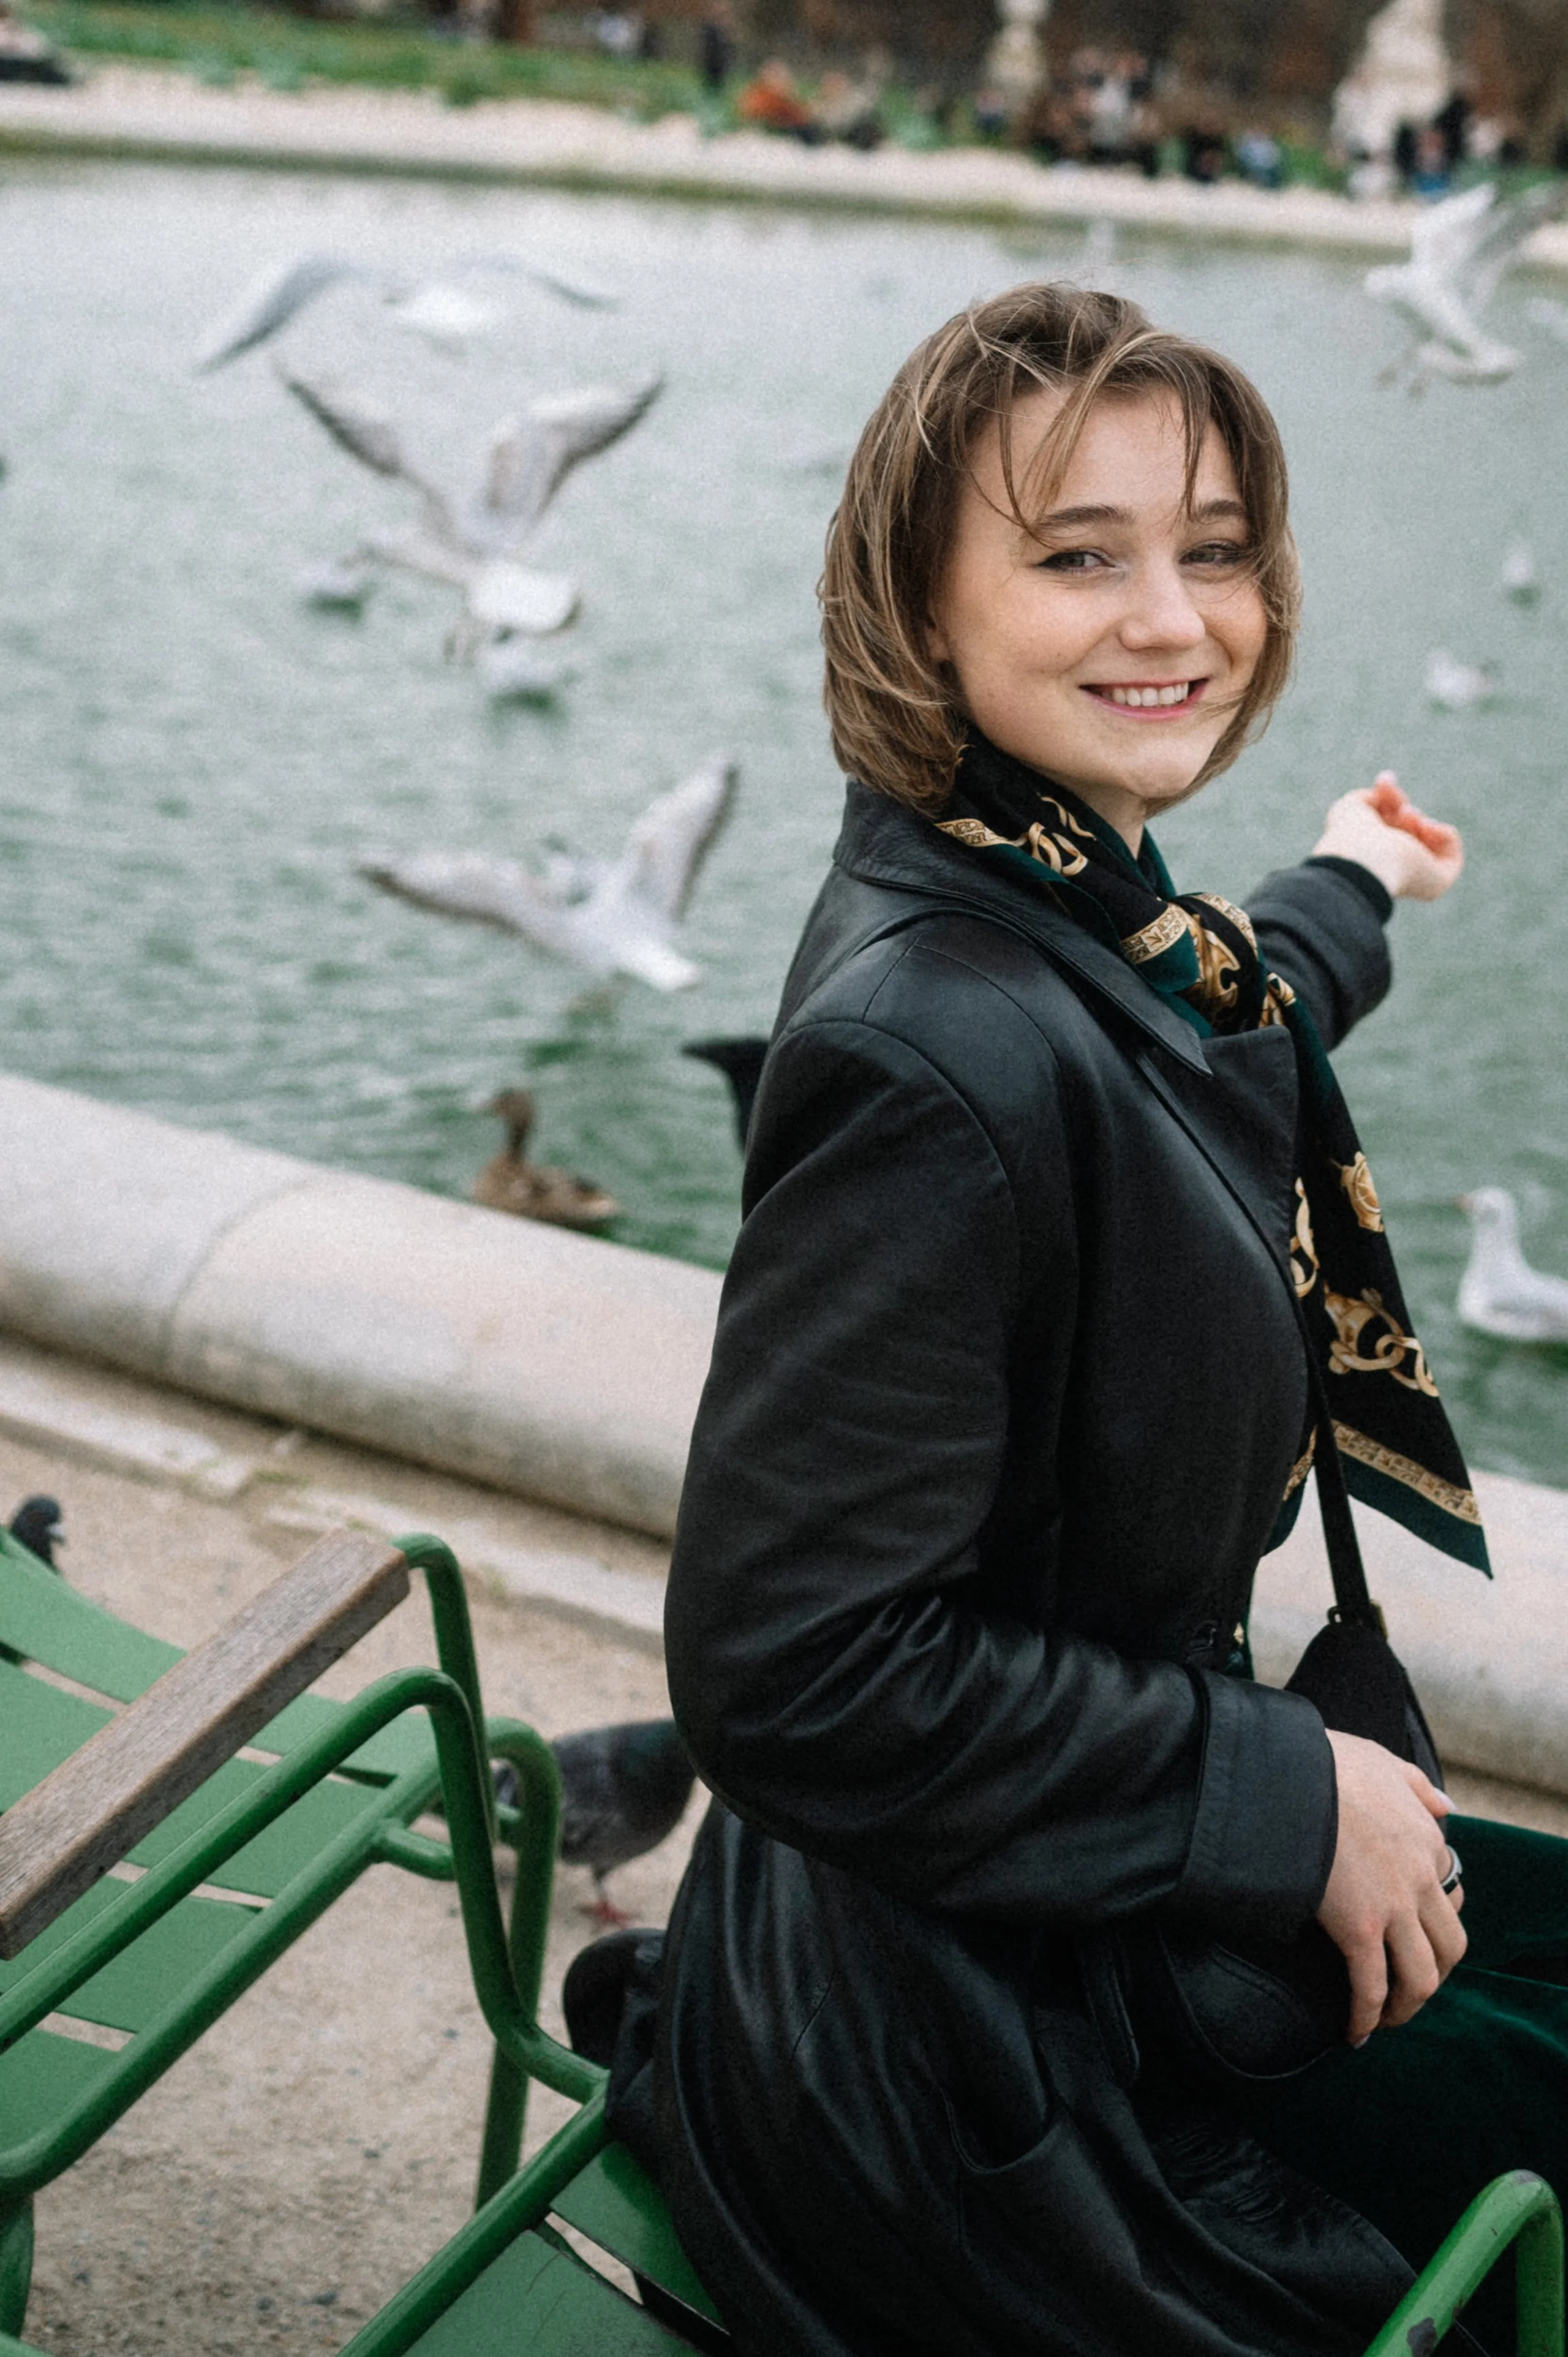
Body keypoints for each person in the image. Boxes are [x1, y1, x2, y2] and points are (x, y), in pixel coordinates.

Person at [589, 280, 1568, 2354]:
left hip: (1048, 1879)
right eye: (1076, 555)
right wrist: (1276, 1795)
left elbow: (1221, 1002)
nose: (1174, 617)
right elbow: (784, 1666)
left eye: (1213, 550)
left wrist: (1349, 884)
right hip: (987, 2062)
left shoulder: (1056, 890)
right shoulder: (923, 1058)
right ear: (918, 606)